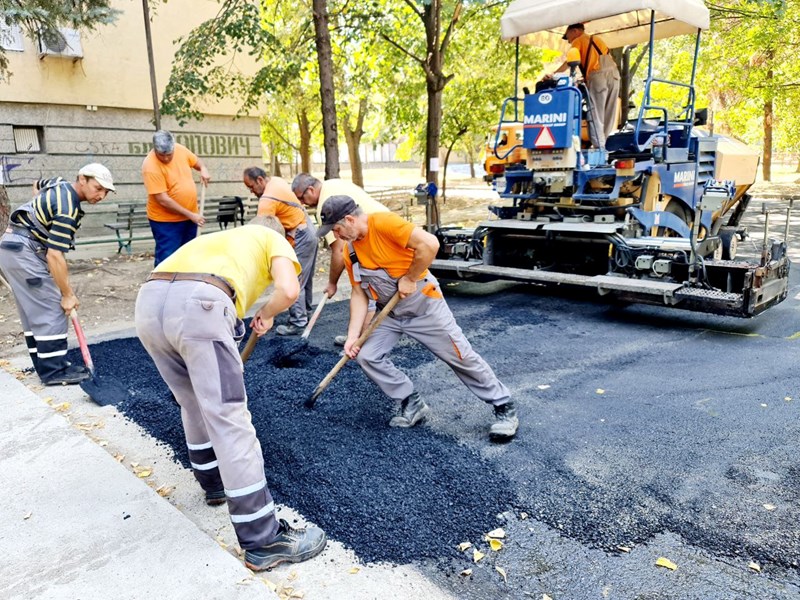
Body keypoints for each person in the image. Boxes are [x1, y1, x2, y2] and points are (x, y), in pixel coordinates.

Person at [134, 215, 327, 571]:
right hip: (201, 304)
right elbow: (288, 290)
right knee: (229, 418)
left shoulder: (220, 240)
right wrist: (267, 311)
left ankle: (213, 484)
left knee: (191, 402)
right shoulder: (272, 238)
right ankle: (264, 540)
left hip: (149, 303)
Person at [319, 195, 519, 441]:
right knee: (367, 356)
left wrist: (410, 277)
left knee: (460, 356)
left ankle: (503, 405)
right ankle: (411, 402)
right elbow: (359, 294)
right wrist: (352, 336)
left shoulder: (384, 224)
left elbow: (430, 243)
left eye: (336, 229)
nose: (336, 235)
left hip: (424, 306)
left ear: (349, 220)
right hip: (390, 313)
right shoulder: (350, 251)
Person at [0, 164, 115, 385]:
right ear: (82, 179)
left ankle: (46, 365)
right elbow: (55, 256)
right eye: (98, 188)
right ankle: (54, 372)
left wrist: (40, 208)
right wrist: (68, 294)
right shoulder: (67, 209)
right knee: (51, 306)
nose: (101, 195)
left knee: (34, 308)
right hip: (24, 251)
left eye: (106, 191)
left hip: (13, 246)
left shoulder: (59, 184)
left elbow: (38, 185)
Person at [291, 173, 390, 347]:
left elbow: (339, 250)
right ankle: (358, 337)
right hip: (378, 231)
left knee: (367, 289)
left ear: (311, 190)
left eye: (301, 198)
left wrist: (332, 283)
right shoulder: (333, 184)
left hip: (378, 237)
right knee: (367, 289)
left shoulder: (327, 205)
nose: (302, 203)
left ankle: (361, 342)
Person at [243, 167, 317, 336]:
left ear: (260, 180)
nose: (251, 191)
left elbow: (263, 235)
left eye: (251, 187)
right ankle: (306, 313)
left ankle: (298, 322)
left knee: (294, 277)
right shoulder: (277, 181)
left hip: (299, 234)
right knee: (305, 277)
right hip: (308, 229)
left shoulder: (267, 200)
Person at [142, 130, 211, 266]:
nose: (166, 159)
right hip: (166, 222)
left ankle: (186, 279)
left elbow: (197, 162)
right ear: (155, 149)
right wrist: (191, 215)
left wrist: (203, 168)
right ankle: (164, 280)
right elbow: (163, 200)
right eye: (162, 155)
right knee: (168, 259)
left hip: (190, 217)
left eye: (169, 154)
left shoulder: (180, 150)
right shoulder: (150, 166)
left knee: (189, 255)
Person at [555, 23, 620, 150]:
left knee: (596, 113)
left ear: (574, 31)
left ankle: (598, 147)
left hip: (598, 77)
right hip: (614, 75)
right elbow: (599, 62)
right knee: (609, 112)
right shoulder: (597, 39)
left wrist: (554, 74)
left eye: (568, 37)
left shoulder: (578, 40)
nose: (569, 41)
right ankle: (603, 143)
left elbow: (570, 62)